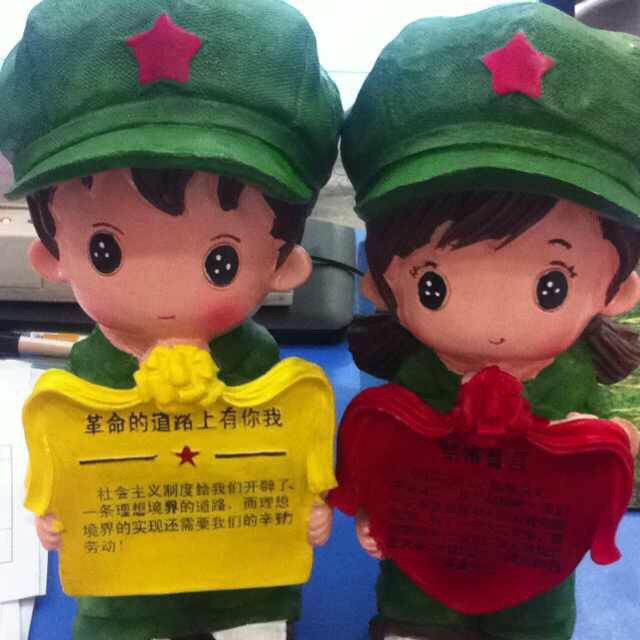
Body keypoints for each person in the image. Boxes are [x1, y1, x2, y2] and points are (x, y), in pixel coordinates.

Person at [0, 0, 342, 639]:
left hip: (240, 577)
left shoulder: (258, 362)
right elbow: (68, 464)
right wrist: (56, 518)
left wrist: (307, 505)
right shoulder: (84, 375)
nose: (163, 291)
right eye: (106, 251)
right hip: (126, 588)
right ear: (51, 257)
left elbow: (285, 453)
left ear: (285, 264)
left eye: (221, 261)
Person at [334, 4, 640, 639]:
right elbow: (385, 457)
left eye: (551, 286)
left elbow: (611, 446)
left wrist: (605, 443)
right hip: (421, 573)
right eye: (435, 285)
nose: (495, 322)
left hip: (537, 570)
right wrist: (372, 514)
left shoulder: (569, 376)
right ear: (379, 282)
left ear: (619, 289)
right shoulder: (416, 376)